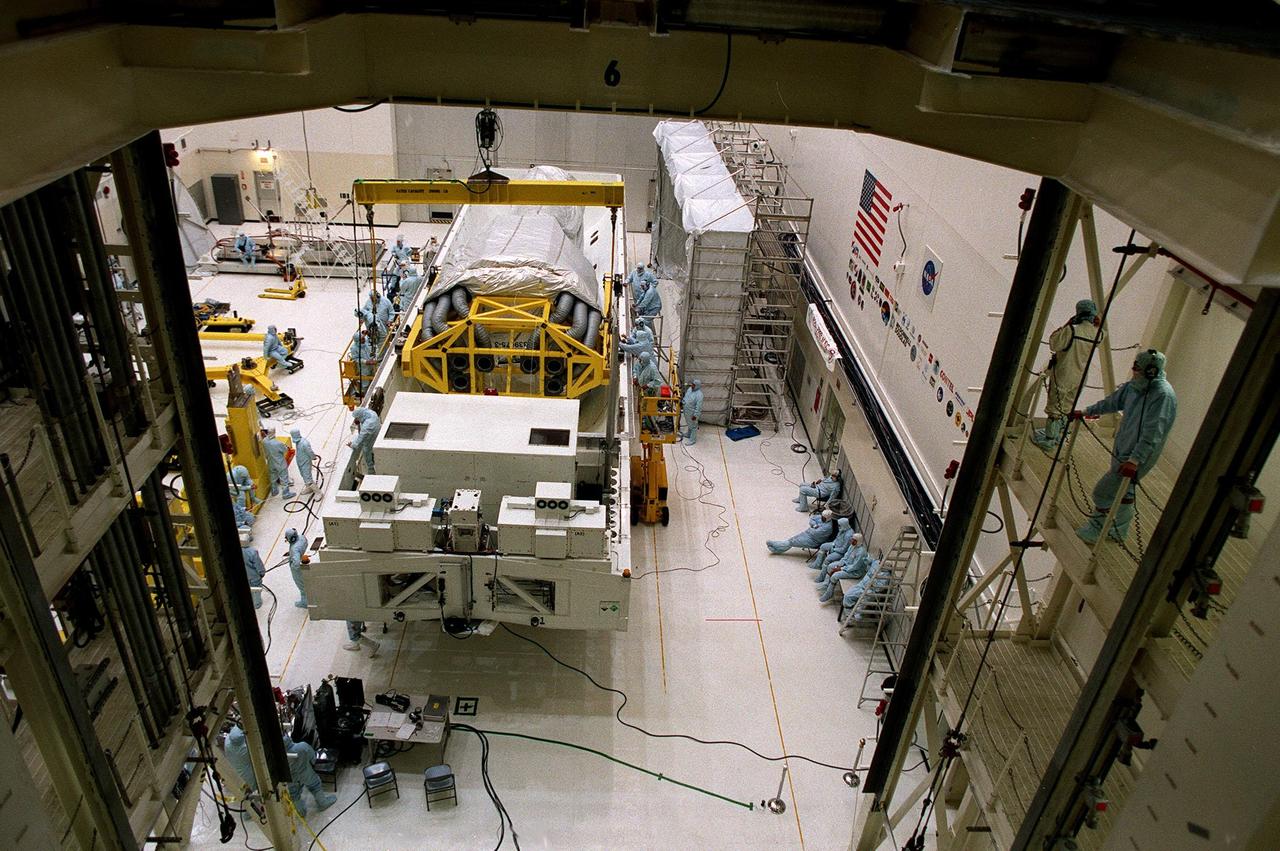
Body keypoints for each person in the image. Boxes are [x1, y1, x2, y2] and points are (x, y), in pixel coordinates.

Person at [1073, 349, 1177, 544]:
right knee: (1125, 490)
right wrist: (1088, 411)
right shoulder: (1136, 386)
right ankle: (1119, 528)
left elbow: (1153, 432)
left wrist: (1135, 460)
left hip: (1137, 456)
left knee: (1103, 492)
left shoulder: (1162, 396)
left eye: (1138, 368)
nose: (1134, 370)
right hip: (1123, 446)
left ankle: (1099, 527)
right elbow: (1114, 401)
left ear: (1151, 371)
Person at [1033, 299, 1103, 451]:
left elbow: (1054, 343)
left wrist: (1067, 323)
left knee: (1055, 407)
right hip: (1081, 377)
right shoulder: (1099, 333)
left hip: (1065, 373)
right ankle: (1059, 435)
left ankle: (1049, 439)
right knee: (1068, 406)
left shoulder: (1072, 330)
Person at [222, 725, 337, 815]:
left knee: (294, 794)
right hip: (306, 773)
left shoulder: (274, 755)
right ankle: (322, 803)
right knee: (315, 785)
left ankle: (301, 812)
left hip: (289, 778)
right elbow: (313, 757)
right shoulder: (301, 746)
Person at [817, 536, 872, 601]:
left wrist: (841, 569)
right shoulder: (852, 546)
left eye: (854, 540)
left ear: (859, 541)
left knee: (835, 576)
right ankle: (826, 585)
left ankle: (829, 594)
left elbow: (855, 566)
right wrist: (839, 565)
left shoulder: (861, 552)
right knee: (830, 567)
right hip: (846, 565)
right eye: (852, 539)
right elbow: (845, 557)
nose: (852, 541)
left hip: (854, 572)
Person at [766, 509, 837, 554]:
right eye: (822, 517)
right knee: (791, 540)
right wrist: (814, 525)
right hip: (808, 534)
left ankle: (775, 545)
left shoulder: (827, 527)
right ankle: (777, 549)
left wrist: (812, 528)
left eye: (823, 518)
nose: (821, 518)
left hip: (813, 541)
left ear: (828, 518)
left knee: (792, 542)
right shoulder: (822, 518)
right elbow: (812, 519)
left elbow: (815, 533)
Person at [260, 427, 295, 498]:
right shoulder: (278, 443)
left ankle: (274, 491)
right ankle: (285, 494)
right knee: (284, 478)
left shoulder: (264, 441)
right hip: (280, 463)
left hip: (270, 463)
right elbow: (285, 450)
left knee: (273, 477)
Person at [349, 407, 380, 474]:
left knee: (367, 451)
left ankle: (371, 470)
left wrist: (352, 444)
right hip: (377, 436)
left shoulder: (367, 425)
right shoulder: (372, 413)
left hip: (370, 441)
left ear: (360, 416)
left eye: (357, 418)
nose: (356, 419)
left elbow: (360, 439)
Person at [284, 527, 309, 607]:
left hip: (298, 570)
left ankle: (305, 602)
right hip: (304, 559)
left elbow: (297, 564)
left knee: (301, 585)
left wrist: (292, 565)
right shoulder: (302, 537)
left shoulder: (294, 549)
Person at [289, 428, 316, 494]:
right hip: (301, 462)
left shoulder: (304, 443)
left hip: (305, 463)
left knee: (308, 478)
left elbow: (310, 452)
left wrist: (313, 457)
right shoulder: (298, 443)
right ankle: (308, 488)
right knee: (304, 475)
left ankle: (318, 492)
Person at [680, 378, 704, 445]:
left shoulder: (699, 395)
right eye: (692, 384)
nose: (692, 386)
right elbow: (686, 397)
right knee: (689, 423)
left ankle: (692, 440)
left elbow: (698, 407)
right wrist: (682, 402)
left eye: (694, 385)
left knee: (693, 426)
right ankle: (688, 434)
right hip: (686, 410)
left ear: (697, 386)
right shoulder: (690, 389)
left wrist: (695, 415)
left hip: (692, 413)